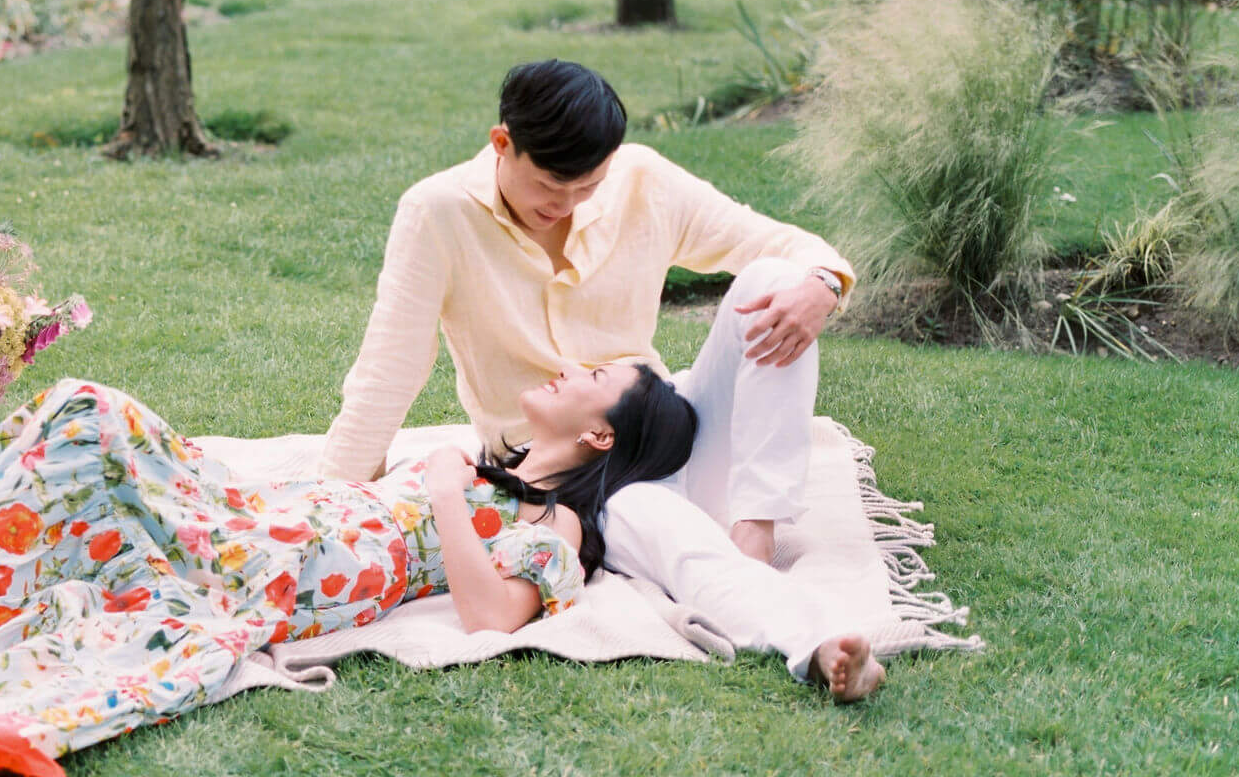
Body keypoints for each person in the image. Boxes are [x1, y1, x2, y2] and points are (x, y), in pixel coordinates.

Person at [0, 366, 884, 777]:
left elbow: (483, 616)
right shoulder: (475, 457)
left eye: (591, 375)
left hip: (269, 571)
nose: (563, 366)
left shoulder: (553, 535)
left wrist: (427, 501)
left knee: (84, 431)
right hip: (253, 520)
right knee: (65, 459)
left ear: (604, 438)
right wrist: (427, 474)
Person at [320, 58, 856, 567]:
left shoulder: (642, 177)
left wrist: (823, 283)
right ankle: (753, 595)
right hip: (557, 479)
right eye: (551, 186)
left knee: (778, 282)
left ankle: (755, 528)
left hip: (660, 440)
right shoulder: (437, 211)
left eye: (590, 186)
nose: (569, 203)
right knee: (660, 542)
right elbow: (390, 366)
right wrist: (331, 503)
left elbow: (772, 243)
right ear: (502, 144)